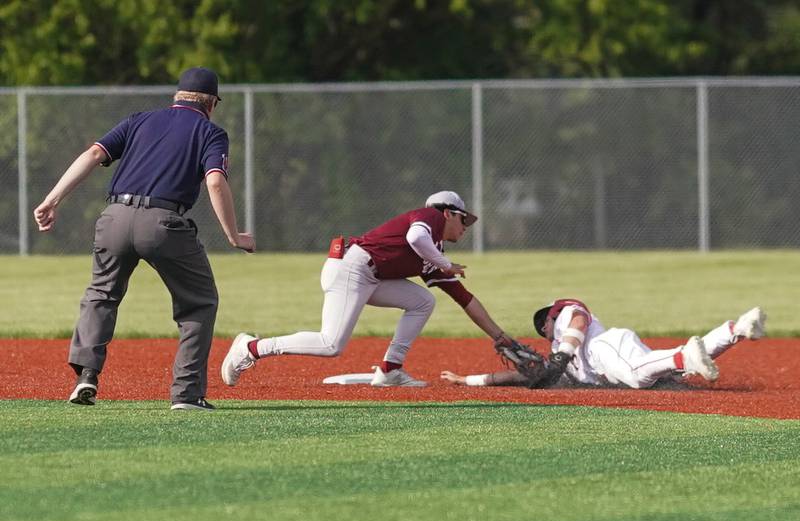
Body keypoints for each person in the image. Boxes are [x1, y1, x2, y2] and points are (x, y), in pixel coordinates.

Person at [34, 67, 255, 411]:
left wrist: (52, 199)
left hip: (114, 218)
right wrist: (234, 236)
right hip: (164, 224)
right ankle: (186, 395)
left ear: (176, 97)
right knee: (199, 302)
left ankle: (86, 377)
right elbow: (214, 182)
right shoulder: (210, 132)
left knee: (101, 295)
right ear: (212, 103)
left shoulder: (139, 120)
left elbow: (93, 155)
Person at [221, 191, 516, 387]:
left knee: (423, 300)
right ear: (449, 212)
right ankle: (251, 348)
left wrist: (501, 338)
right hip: (351, 267)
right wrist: (445, 262)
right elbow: (415, 237)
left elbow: (465, 299)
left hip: (369, 276)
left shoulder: (434, 252)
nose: (466, 226)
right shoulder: (431, 218)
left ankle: (390, 370)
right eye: (464, 219)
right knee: (331, 344)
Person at [441, 299, 766, 389]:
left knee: (640, 377)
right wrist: (467, 380)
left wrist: (563, 352)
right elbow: (519, 377)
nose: (544, 332)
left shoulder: (565, 313)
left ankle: (683, 358)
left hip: (605, 347)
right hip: (614, 358)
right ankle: (737, 328)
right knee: (658, 371)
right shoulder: (559, 364)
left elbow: (579, 321)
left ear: (550, 318)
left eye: (545, 326)